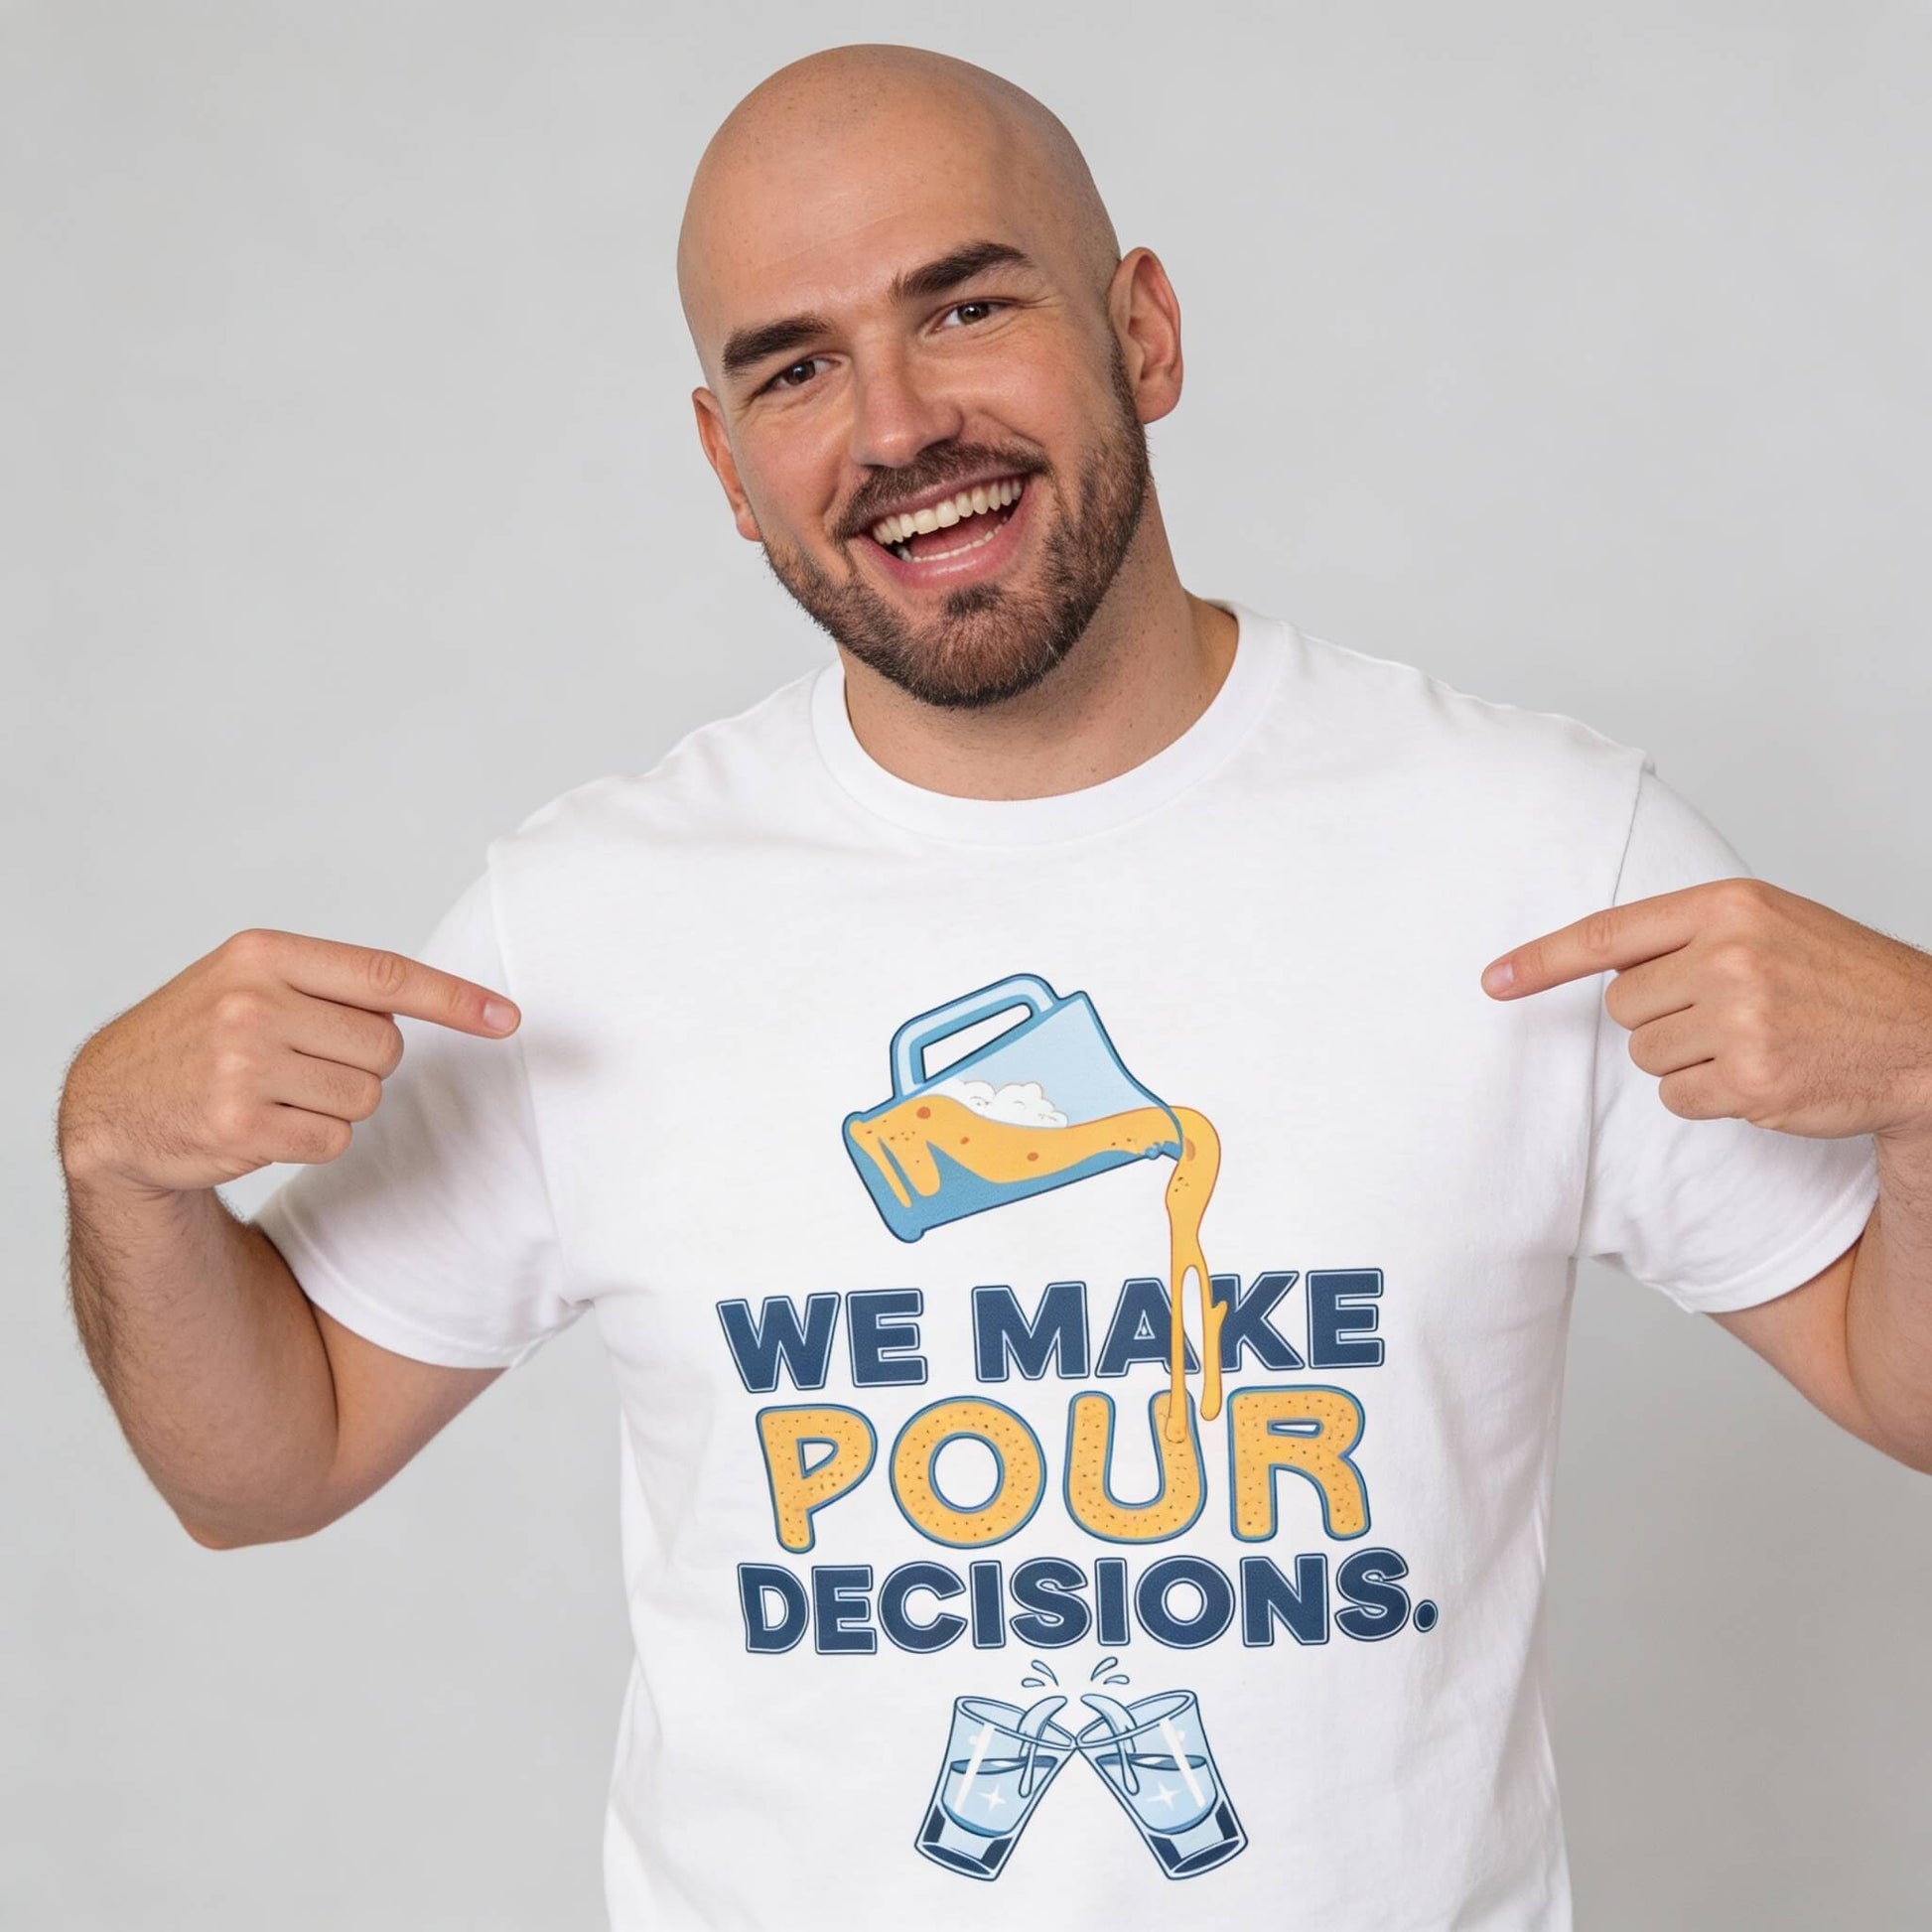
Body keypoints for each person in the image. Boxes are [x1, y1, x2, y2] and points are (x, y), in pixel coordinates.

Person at [57, 41, 1932, 1932]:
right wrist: (119, 1169)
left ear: (1146, 332)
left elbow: (1899, 1376)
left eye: (962, 305)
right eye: (794, 365)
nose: (891, 426)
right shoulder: (588, 920)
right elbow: (261, 1469)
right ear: (726, 463)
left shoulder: (1535, 848)